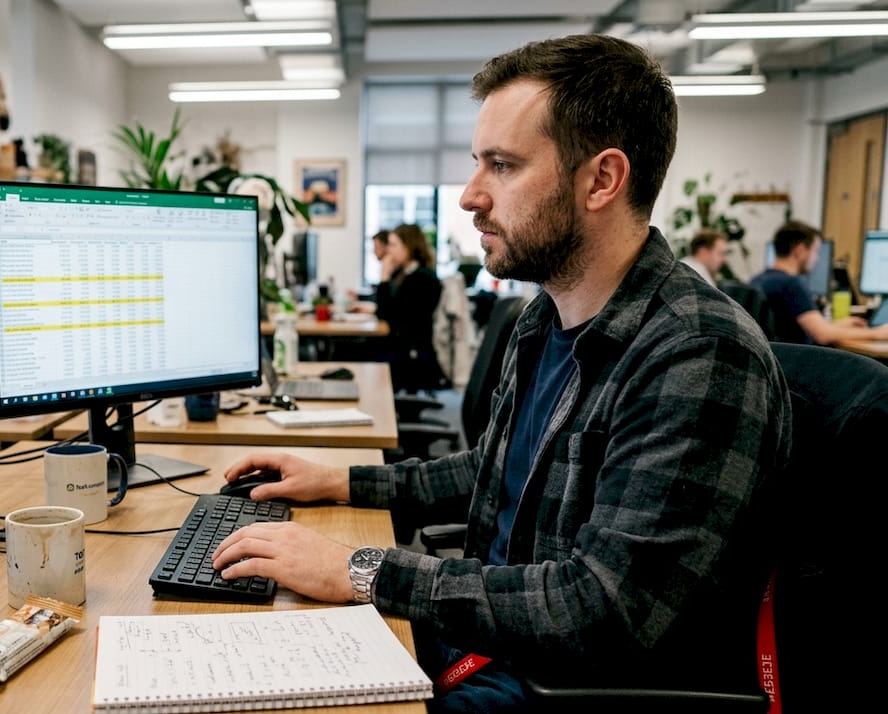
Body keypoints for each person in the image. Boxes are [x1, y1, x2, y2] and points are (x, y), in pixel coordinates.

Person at [212, 33, 789, 712]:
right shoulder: (544, 318)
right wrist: (337, 479)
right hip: (487, 641)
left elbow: (604, 608)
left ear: (602, 179)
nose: (469, 196)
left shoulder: (697, 356)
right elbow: (490, 469)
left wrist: (360, 568)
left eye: (503, 166)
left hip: (556, 686)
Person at [749, 220, 888, 345]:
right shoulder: (791, 284)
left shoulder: (759, 280)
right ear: (800, 251)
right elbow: (823, 335)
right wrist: (878, 333)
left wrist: (838, 325)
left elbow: (804, 328)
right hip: (797, 364)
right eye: (815, 252)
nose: (816, 259)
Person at [374, 223, 448, 393]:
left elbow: (387, 315)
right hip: (404, 347)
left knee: (352, 353)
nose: (389, 250)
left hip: (411, 355)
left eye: (393, 245)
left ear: (408, 246)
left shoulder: (422, 278)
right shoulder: (405, 273)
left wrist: (384, 276)